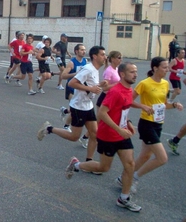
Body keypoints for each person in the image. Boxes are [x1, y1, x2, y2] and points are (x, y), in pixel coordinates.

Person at [64, 62, 141, 212]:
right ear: (123, 75)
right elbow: (102, 113)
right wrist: (119, 129)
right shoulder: (115, 91)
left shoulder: (128, 89)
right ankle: (76, 164)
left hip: (122, 134)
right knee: (103, 167)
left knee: (130, 164)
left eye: (136, 71)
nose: (135, 74)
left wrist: (129, 122)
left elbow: (122, 108)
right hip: (109, 135)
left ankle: (123, 198)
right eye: (132, 72)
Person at [118, 56, 183, 193]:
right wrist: (143, 106)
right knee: (162, 158)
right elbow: (128, 101)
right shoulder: (145, 83)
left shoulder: (165, 84)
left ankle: (123, 177)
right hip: (146, 123)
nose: (166, 70)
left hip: (158, 123)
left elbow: (164, 105)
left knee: (145, 156)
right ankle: (134, 177)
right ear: (155, 68)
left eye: (167, 67)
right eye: (164, 67)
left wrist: (175, 104)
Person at [38, 46, 107, 167]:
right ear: (95, 56)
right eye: (102, 54)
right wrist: (90, 88)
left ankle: (89, 161)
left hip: (88, 106)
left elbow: (90, 85)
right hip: (79, 107)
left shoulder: (95, 69)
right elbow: (72, 83)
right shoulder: (88, 69)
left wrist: (100, 85)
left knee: (94, 134)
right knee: (74, 136)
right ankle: (49, 129)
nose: (105, 57)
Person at [60, 44, 87, 134]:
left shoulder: (85, 61)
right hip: (71, 87)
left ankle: (64, 111)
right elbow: (63, 75)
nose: (84, 51)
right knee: (74, 109)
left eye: (84, 50)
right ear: (76, 51)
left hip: (79, 87)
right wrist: (75, 74)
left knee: (75, 107)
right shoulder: (71, 63)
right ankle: (66, 126)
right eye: (82, 50)